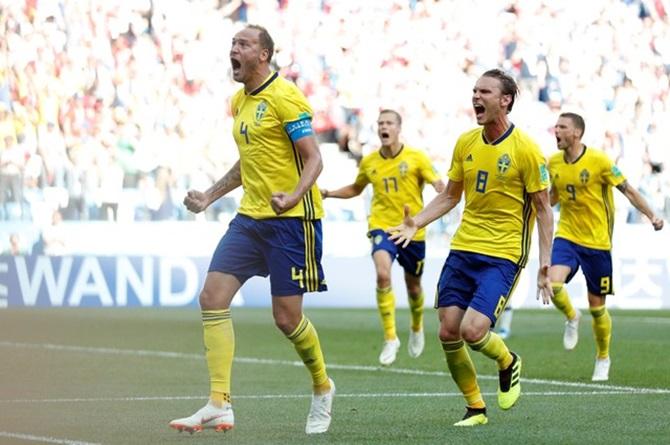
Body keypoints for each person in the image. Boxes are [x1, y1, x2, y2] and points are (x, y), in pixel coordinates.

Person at [169, 24, 334, 435]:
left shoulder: (286, 97)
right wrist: (209, 195)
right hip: (250, 219)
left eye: (243, 44)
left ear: (263, 55)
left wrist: (295, 195)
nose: (234, 50)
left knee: (286, 318)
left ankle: (322, 385)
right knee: (212, 297)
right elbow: (250, 162)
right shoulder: (239, 101)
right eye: (232, 44)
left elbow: (314, 159)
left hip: (293, 222)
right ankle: (219, 403)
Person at [389, 69, 554, 426]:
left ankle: (508, 361)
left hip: (503, 255)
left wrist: (545, 263)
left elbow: (543, 209)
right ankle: (475, 408)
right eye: (474, 91)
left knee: (473, 330)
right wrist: (416, 221)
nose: (476, 97)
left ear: (505, 100)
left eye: (485, 92)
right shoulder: (466, 142)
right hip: (463, 249)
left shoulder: (526, 149)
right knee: (448, 330)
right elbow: (450, 196)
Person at [321, 109, 445, 366]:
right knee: (383, 274)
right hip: (382, 227)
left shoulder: (416, 157)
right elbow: (356, 189)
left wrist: (443, 189)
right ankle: (390, 337)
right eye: (380, 123)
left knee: (413, 287)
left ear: (399, 128)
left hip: (412, 230)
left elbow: (439, 184)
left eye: (389, 123)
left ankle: (416, 326)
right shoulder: (370, 162)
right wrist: (329, 193)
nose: (383, 127)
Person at [548, 112, 664, 381]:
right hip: (566, 236)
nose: (556, 130)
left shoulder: (599, 161)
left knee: (597, 307)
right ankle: (571, 316)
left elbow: (629, 190)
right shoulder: (552, 162)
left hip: (597, 243)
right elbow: (554, 195)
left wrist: (652, 215)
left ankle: (602, 357)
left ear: (576, 133)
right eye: (556, 126)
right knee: (553, 284)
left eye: (562, 127)